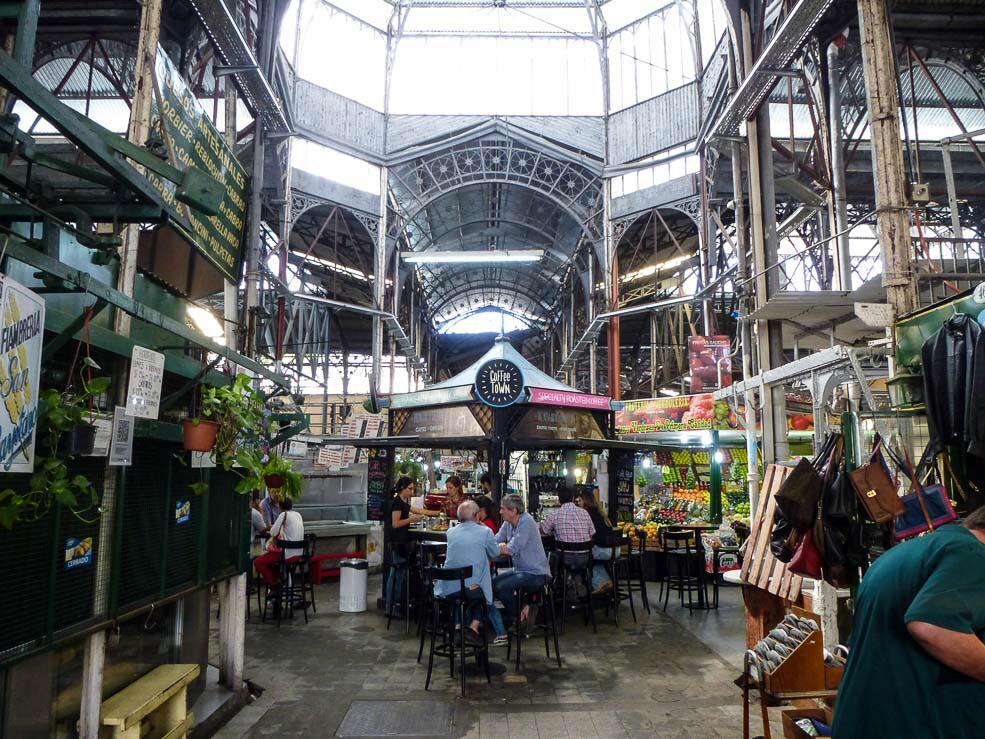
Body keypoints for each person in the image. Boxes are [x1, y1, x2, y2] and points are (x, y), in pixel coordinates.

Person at [832, 509, 985, 737]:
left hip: (862, 720)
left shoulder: (905, 553)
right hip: (910, 723)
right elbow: (931, 626)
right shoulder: (972, 555)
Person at [435, 500, 505, 644]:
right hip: (471, 589)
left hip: (447, 588)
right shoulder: (485, 532)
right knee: (484, 593)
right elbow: (495, 553)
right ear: (476, 516)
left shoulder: (451, 532)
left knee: (464, 592)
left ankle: (457, 628)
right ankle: (473, 627)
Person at [492, 494, 551, 645]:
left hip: (536, 571)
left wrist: (498, 548)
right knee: (493, 585)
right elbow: (497, 539)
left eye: (503, 509)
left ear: (513, 511)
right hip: (521, 569)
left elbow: (512, 548)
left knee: (499, 586)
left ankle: (519, 617)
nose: (500, 512)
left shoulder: (526, 522)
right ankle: (522, 612)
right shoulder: (509, 523)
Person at [383, 476, 437, 616]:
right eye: (410, 489)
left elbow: (419, 511)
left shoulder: (403, 502)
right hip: (397, 542)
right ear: (402, 489)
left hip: (401, 541)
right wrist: (411, 519)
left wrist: (438, 513)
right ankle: (391, 607)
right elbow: (395, 524)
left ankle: (393, 606)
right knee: (396, 574)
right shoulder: (396, 503)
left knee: (398, 574)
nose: (412, 491)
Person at [253, 498, 304, 587]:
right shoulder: (298, 514)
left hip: (286, 554)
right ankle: (277, 582)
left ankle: (273, 585)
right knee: (271, 562)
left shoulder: (284, 514)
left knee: (258, 562)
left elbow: (273, 532)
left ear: (280, 507)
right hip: (299, 553)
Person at [577, 489, 615, 596]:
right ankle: (605, 582)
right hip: (614, 549)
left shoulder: (586, 514)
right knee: (592, 557)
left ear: (586, 502)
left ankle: (598, 583)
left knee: (584, 556)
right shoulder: (599, 512)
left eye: (579, 501)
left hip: (604, 551)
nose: (578, 503)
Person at [250, 490, 269, 557]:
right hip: (249, 546)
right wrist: (261, 512)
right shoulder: (255, 513)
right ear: (256, 500)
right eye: (259, 499)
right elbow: (263, 529)